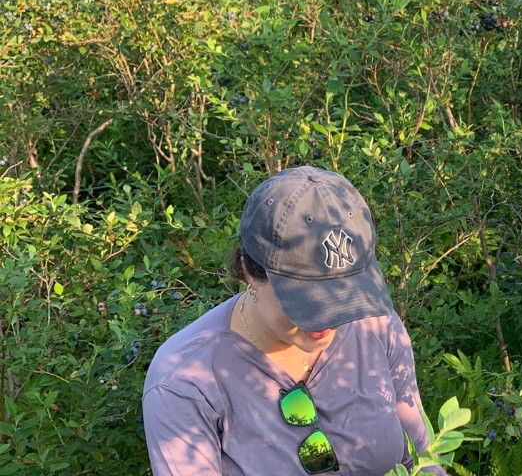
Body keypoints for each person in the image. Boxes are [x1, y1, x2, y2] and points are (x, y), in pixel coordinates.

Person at [143, 166, 445, 475]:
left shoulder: (376, 325)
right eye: (309, 301)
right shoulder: (184, 382)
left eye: (346, 293)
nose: (332, 317)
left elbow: (422, 457)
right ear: (249, 270)